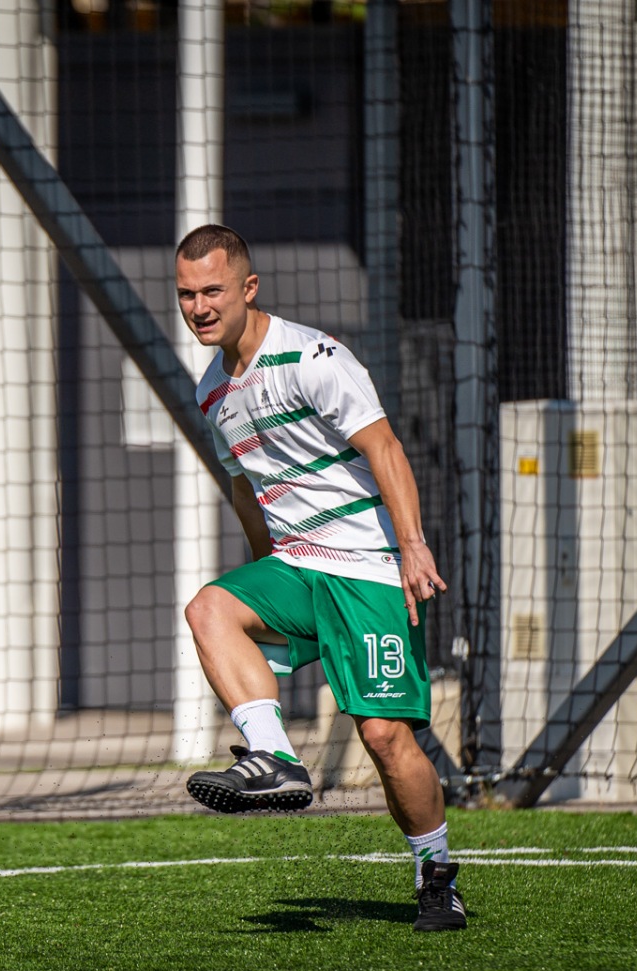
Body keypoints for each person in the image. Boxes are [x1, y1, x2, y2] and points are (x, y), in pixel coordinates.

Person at [174, 225, 466, 932]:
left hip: (367, 567)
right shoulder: (211, 390)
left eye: (212, 291)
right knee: (210, 608)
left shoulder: (314, 357)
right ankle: (273, 756)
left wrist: (413, 547)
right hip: (299, 568)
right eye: (185, 294)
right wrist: (261, 571)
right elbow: (245, 487)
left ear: (249, 288)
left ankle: (436, 878)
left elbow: (385, 447)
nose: (199, 307)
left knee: (384, 737)